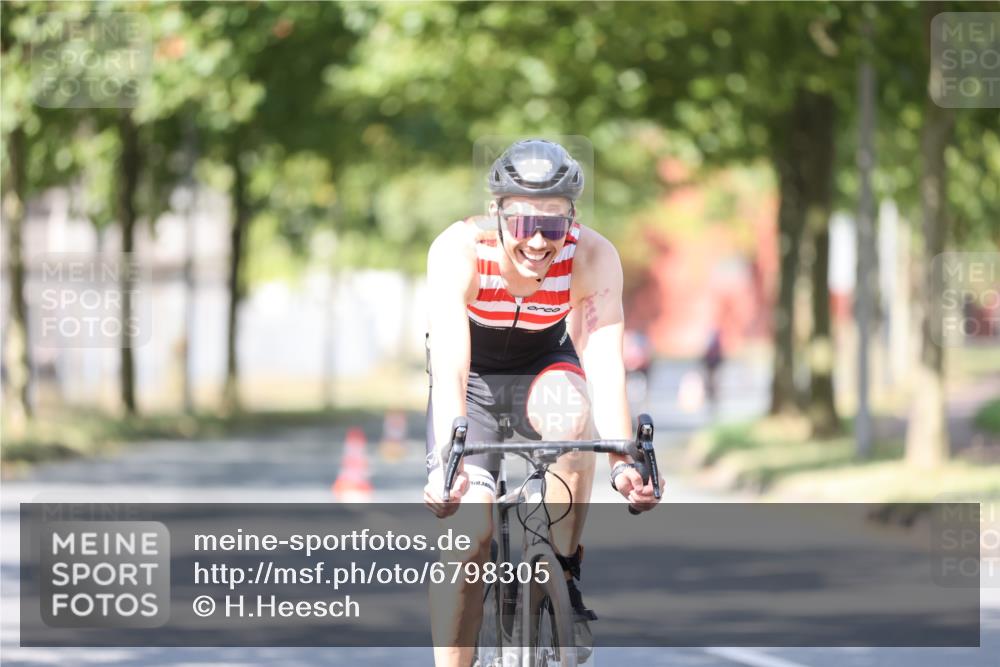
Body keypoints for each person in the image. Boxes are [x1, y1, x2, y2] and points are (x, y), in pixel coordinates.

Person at [422, 139, 665, 667]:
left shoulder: (594, 255)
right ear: (497, 213)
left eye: (553, 226)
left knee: (572, 416)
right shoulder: (458, 251)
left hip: (545, 367)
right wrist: (448, 463)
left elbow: (604, 363)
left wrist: (624, 462)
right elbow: (452, 370)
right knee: (468, 543)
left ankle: (562, 570)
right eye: (524, 223)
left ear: (572, 220)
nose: (538, 241)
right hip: (475, 384)